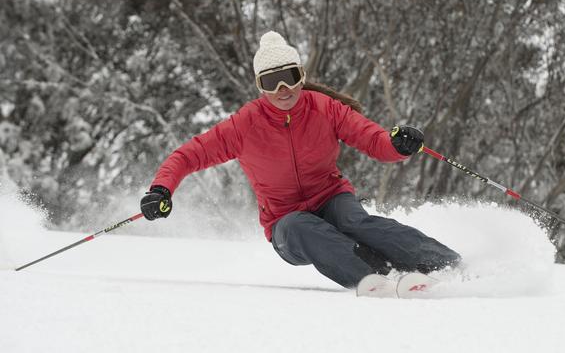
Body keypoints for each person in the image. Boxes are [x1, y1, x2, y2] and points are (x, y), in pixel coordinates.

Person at [140, 31, 460, 288]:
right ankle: (379, 276)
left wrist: (397, 144)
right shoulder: (244, 125)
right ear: (260, 87)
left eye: (289, 77)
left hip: (331, 197)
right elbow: (187, 156)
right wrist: (161, 190)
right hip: (285, 222)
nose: (282, 89)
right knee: (298, 225)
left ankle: (447, 264)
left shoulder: (323, 108)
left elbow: (372, 139)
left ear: (301, 75)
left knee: (354, 221)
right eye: (270, 82)